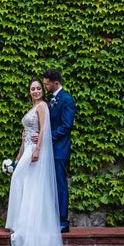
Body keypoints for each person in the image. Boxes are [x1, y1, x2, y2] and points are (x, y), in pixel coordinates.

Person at [2, 77, 74, 246]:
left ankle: (28, 220)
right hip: (27, 151)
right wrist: (16, 159)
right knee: (19, 180)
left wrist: (37, 150)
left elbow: (43, 130)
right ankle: (20, 219)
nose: (35, 91)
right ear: (29, 91)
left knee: (30, 185)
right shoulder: (32, 107)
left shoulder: (42, 106)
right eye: (32, 88)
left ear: (43, 90)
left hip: (36, 152)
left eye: (38, 88)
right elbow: (24, 137)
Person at [41, 68, 76, 233]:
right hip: (48, 150)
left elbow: (66, 126)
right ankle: (51, 219)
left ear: (56, 83)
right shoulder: (50, 99)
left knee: (60, 185)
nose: (45, 86)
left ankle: (63, 221)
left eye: (47, 83)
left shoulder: (67, 99)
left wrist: (48, 137)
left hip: (60, 150)